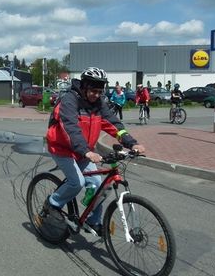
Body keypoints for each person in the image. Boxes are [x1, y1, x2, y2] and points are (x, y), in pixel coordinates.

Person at [44, 67, 145, 236]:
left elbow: (114, 124)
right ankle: (52, 204)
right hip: (62, 148)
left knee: (97, 185)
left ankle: (92, 220)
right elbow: (70, 129)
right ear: (84, 87)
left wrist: (131, 143)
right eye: (93, 91)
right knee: (76, 182)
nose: (96, 95)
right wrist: (87, 152)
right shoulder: (69, 101)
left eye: (100, 91)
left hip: (83, 151)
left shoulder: (98, 103)